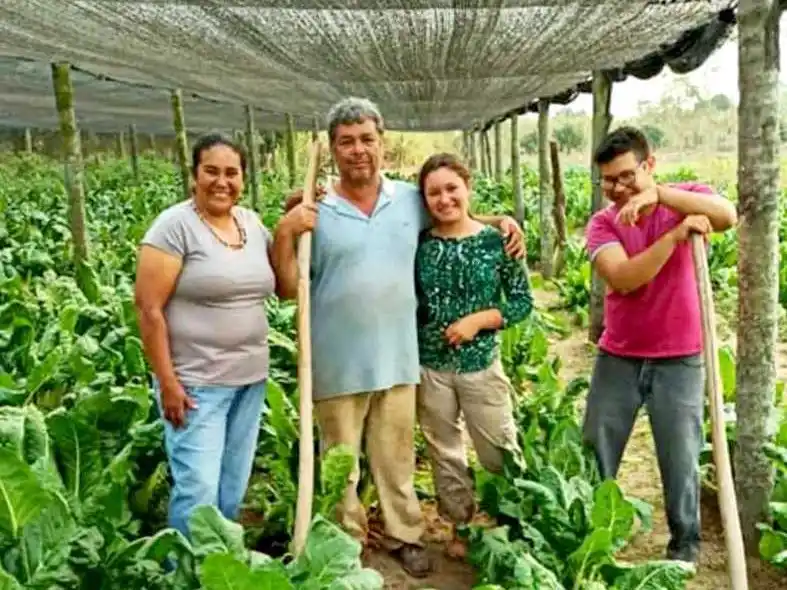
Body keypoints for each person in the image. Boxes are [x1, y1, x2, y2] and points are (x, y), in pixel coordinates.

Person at [271, 97, 525, 578]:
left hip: (399, 356)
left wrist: (500, 222)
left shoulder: (408, 199)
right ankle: (345, 543)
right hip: (336, 357)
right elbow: (287, 288)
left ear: (382, 142)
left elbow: (454, 216)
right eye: (346, 142)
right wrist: (285, 230)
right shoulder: (314, 208)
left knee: (397, 458)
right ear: (332, 149)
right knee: (341, 463)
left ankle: (404, 535)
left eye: (367, 139)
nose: (358, 150)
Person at [582, 126, 737, 565]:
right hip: (619, 355)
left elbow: (726, 216)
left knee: (681, 455)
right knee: (597, 447)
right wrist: (673, 237)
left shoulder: (684, 197)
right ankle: (587, 533)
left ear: (649, 165)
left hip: (681, 357)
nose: (617, 188)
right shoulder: (603, 223)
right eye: (608, 180)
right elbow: (623, 278)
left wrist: (662, 198)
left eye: (626, 176)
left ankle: (684, 544)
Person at [134, 133, 279, 539]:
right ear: (194, 175)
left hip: (249, 379)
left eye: (231, 173)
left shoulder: (251, 224)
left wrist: (289, 225)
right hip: (196, 383)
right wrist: (168, 383)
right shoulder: (174, 227)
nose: (222, 182)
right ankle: (186, 566)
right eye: (211, 171)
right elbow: (148, 309)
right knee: (198, 489)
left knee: (232, 486)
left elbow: (282, 283)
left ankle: (218, 561)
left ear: (243, 178)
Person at [413, 153, 534, 560]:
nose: (444, 198)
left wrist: (479, 320)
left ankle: (513, 522)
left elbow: (521, 302)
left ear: (468, 188)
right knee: (444, 450)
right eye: (434, 192)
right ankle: (460, 525)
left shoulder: (498, 242)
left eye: (452, 188)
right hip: (431, 365)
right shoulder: (420, 245)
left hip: (481, 364)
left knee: (498, 446)